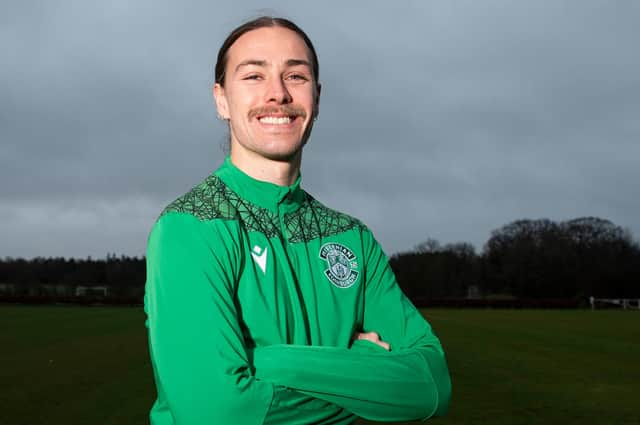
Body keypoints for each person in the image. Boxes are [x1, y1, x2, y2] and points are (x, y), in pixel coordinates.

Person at [144, 16, 451, 425]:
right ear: (221, 99)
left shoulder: (352, 238)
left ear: (317, 98)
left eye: (296, 76)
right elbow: (216, 412)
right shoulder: (190, 226)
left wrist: (265, 366)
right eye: (254, 75)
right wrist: (357, 367)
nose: (278, 94)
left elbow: (429, 387)